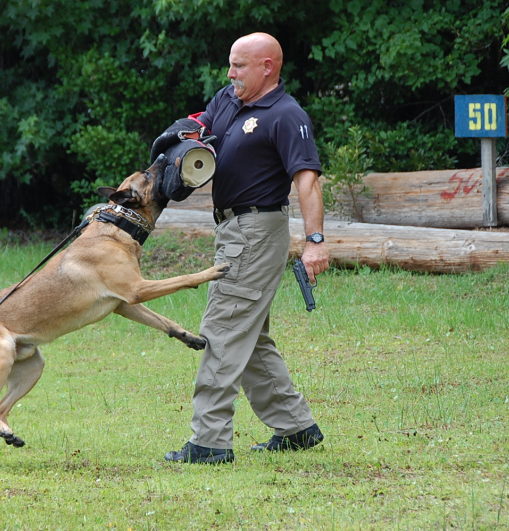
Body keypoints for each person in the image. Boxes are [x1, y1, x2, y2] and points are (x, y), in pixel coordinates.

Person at [164, 32, 330, 464]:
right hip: (232, 229)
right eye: (231, 64)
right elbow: (203, 124)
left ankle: (209, 442)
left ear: (267, 67)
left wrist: (314, 242)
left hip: (257, 229)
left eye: (239, 65)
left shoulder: (285, 115)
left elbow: (307, 180)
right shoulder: (230, 99)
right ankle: (295, 428)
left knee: (222, 329)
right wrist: (185, 135)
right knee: (248, 331)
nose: (230, 73)